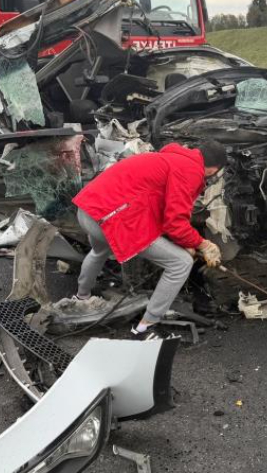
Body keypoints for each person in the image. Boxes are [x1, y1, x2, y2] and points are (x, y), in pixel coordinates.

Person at [71, 139, 226, 340]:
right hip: (109, 219)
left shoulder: (171, 157)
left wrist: (185, 242)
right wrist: (202, 243)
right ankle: (145, 328)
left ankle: (81, 297)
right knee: (180, 263)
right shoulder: (191, 171)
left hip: (88, 209)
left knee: (100, 251)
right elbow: (175, 223)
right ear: (213, 170)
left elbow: (156, 208)